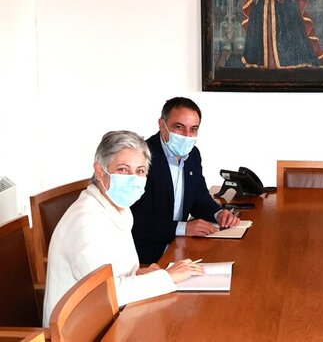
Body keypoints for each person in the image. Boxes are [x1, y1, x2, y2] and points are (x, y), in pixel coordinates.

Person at [42, 130, 203, 326]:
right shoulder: (86, 221)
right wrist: (167, 277)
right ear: (100, 171)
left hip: (110, 318)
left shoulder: (118, 208)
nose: (133, 178)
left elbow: (114, 274)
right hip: (81, 330)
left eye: (140, 171)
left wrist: (140, 274)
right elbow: (107, 294)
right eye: (123, 169)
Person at [131, 97, 240, 264]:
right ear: (162, 124)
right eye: (179, 127)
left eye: (193, 129)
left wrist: (218, 214)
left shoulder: (193, 155)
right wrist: (183, 228)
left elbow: (199, 198)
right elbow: (132, 221)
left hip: (179, 245)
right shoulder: (140, 158)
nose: (187, 135)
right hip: (146, 256)